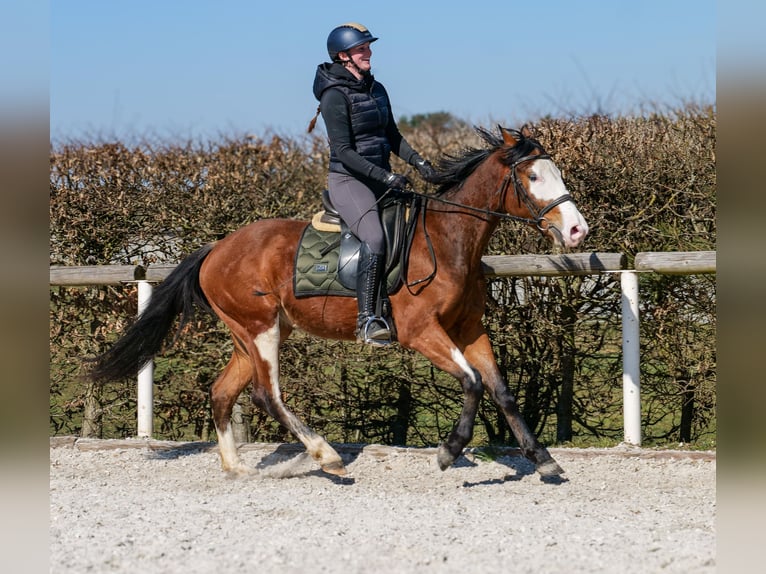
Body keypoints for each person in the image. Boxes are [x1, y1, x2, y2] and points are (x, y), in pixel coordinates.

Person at [309, 22, 438, 346]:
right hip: (349, 180)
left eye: (368, 47)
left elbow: (392, 136)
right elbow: (344, 151)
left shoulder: (376, 89)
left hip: (381, 177)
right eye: (361, 48)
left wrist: (420, 163)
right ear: (343, 56)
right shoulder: (333, 96)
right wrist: (385, 176)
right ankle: (368, 319)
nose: (369, 53)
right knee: (375, 238)